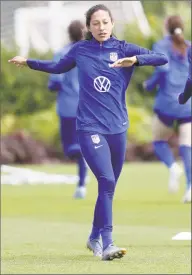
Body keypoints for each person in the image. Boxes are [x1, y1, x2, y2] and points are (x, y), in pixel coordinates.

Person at [8, 4, 168, 261]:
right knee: (105, 180)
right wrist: (29, 62)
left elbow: (162, 58)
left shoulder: (125, 49)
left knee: (109, 186)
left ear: (112, 23)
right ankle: (107, 243)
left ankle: (94, 236)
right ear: (89, 27)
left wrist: (136, 60)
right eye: (96, 23)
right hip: (89, 127)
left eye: (105, 22)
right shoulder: (81, 50)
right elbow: (57, 67)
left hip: (118, 127)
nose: (101, 27)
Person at [143, 15, 191, 203]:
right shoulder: (189, 46)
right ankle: (190, 188)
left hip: (167, 105)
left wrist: (149, 84)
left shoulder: (161, 46)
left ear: (166, 28)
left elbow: (162, 71)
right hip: (188, 104)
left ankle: (172, 167)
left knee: (158, 140)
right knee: (187, 146)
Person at [48, 20, 88, 199]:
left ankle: (83, 154)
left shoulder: (62, 54)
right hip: (88, 107)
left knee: (69, 148)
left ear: (68, 34)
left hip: (68, 107)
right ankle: (81, 186)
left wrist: (53, 86)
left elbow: (55, 82)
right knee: (81, 147)